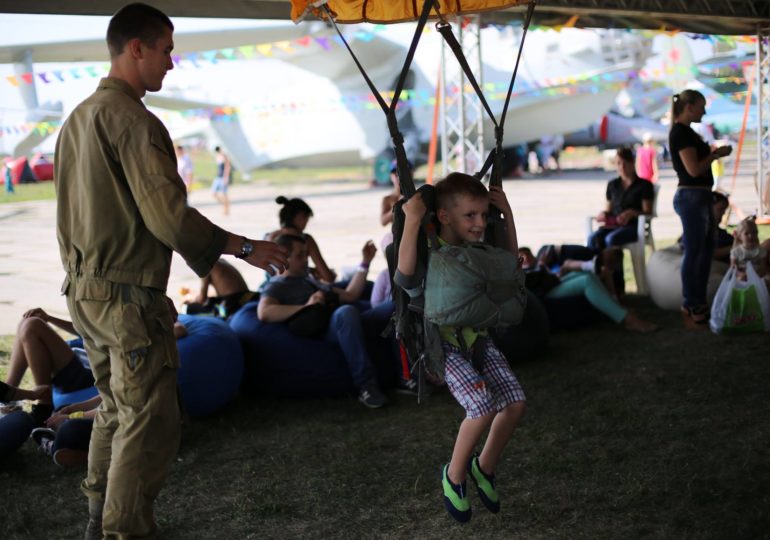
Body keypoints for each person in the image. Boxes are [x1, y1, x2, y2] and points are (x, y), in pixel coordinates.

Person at [53, 4, 288, 538]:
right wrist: (242, 247)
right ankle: (125, 529)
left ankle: (99, 516)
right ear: (136, 48)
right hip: (126, 297)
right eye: (166, 50)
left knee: (115, 408)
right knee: (148, 420)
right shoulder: (133, 120)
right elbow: (168, 218)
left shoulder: (78, 119)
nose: (171, 64)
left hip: (86, 292)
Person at [396, 172, 526, 523]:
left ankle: (484, 468)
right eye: (471, 215)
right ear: (444, 216)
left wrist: (507, 215)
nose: (480, 223)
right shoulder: (430, 250)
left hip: (477, 338)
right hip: (445, 346)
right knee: (481, 405)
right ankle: (454, 476)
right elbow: (405, 276)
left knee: (514, 402)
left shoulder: (478, 251)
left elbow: (508, 266)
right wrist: (411, 220)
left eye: (484, 215)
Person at [257, 234, 390, 408]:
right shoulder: (277, 286)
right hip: (328, 328)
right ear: (284, 258)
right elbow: (264, 312)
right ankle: (366, 385)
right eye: (300, 255)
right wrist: (307, 305)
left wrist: (365, 262)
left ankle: (410, 373)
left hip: (350, 323)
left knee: (394, 307)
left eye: (306, 254)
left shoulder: (310, 280)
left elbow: (350, 295)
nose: (306, 260)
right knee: (346, 312)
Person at [669, 89, 732, 328]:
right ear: (690, 107)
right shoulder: (681, 133)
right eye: (701, 106)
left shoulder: (686, 133)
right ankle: (690, 303)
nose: (704, 112)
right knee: (695, 252)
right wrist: (715, 154)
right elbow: (693, 170)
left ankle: (698, 303)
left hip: (700, 195)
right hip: (691, 195)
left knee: (703, 252)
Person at [518, 248, 658, 332]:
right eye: (521, 257)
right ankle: (627, 319)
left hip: (552, 282)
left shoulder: (537, 264)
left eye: (527, 255)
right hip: (543, 292)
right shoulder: (520, 270)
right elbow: (531, 283)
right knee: (586, 281)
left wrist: (547, 268)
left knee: (588, 274)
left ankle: (615, 308)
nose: (525, 259)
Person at [589, 147, 655, 253]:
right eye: (618, 163)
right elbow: (608, 209)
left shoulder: (644, 185)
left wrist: (632, 213)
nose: (622, 167)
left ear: (632, 163)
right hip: (613, 225)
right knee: (593, 239)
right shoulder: (612, 185)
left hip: (633, 226)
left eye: (625, 163)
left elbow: (648, 211)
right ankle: (598, 267)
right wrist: (603, 213)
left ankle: (615, 269)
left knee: (611, 239)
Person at [265, 196, 336, 283]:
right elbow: (328, 277)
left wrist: (308, 269)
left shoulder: (269, 237)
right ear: (301, 216)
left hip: (271, 285)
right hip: (298, 288)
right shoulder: (306, 240)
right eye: (307, 219)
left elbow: (279, 269)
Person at [184, 259, 257, 318]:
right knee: (212, 301)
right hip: (247, 296)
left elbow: (202, 299)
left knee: (187, 308)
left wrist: (191, 300)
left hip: (234, 303)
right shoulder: (220, 260)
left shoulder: (205, 266)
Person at [730, 216, 769, 285]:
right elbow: (733, 268)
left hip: (758, 274)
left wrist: (757, 275)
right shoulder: (736, 252)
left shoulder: (761, 251)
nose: (751, 236)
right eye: (746, 234)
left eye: (754, 233)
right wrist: (741, 274)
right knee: (741, 279)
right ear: (740, 236)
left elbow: (763, 267)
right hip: (742, 275)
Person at [212, 145, 231, 215]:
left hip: (223, 177)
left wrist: (226, 177)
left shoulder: (224, 156)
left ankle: (226, 209)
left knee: (224, 194)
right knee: (214, 193)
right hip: (218, 177)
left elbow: (227, 167)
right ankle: (225, 205)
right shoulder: (218, 156)